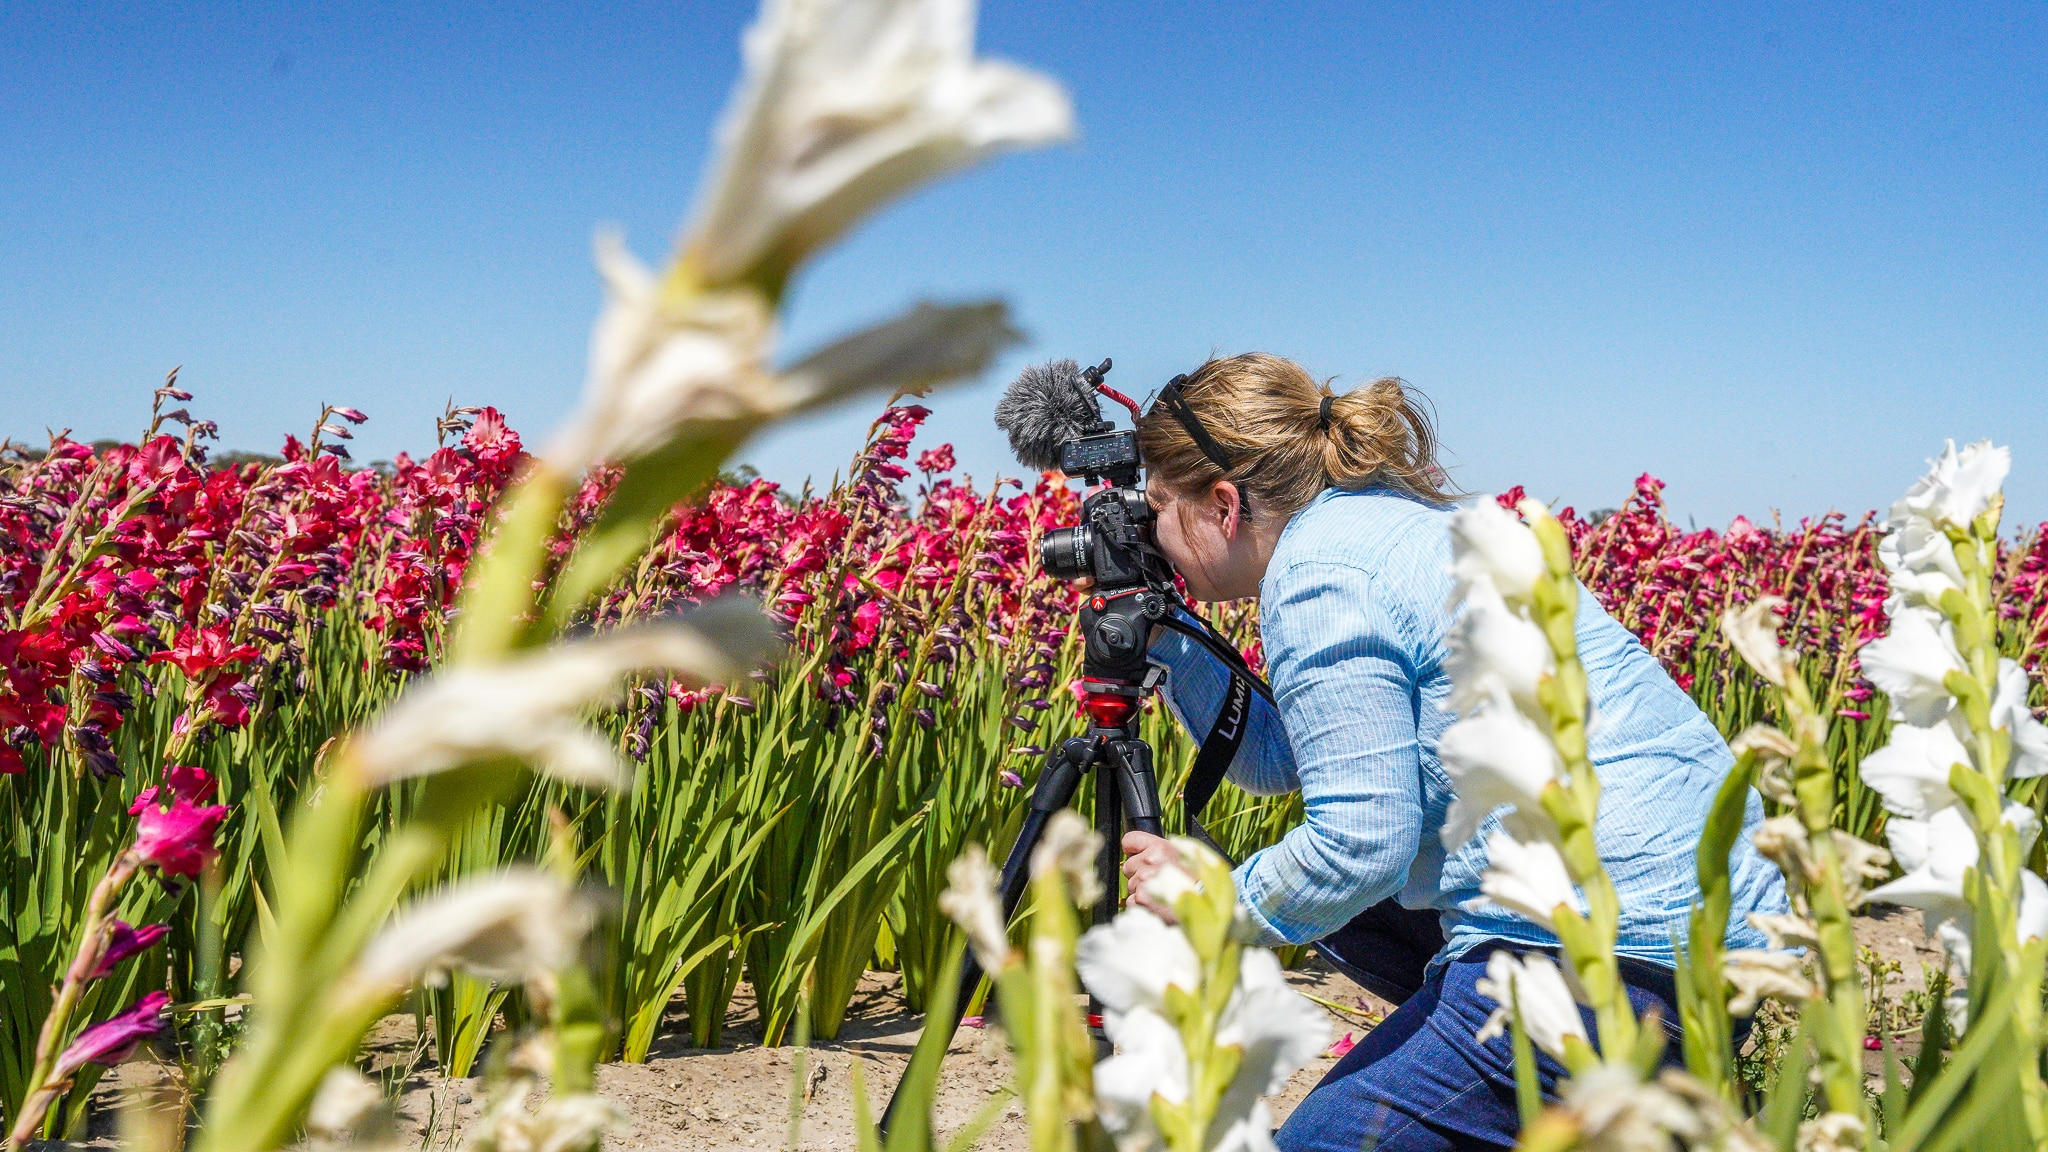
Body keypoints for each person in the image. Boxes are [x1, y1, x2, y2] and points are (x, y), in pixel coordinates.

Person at [1120, 353, 1788, 1152]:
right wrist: (1161, 633)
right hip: (1709, 930)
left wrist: (1212, 901)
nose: (1150, 531)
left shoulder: (1318, 574)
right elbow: (1278, 759)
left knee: (1323, 1141)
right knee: (1352, 910)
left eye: (1159, 506)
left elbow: (1360, 846)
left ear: (1223, 504)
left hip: (1609, 952)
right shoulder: (1387, 527)